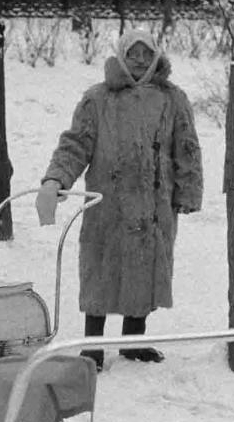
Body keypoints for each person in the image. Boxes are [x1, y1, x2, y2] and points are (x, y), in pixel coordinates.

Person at [36, 28, 202, 367]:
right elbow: (75, 144)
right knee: (100, 270)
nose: (139, 61)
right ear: (121, 56)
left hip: (154, 205)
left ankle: (133, 342)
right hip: (108, 203)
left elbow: (187, 148)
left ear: (155, 57)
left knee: (145, 269)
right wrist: (56, 178)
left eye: (146, 54)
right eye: (132, 54)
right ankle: (93, 346)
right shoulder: (97, 99)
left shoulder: (172, 99)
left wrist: (188, 190)